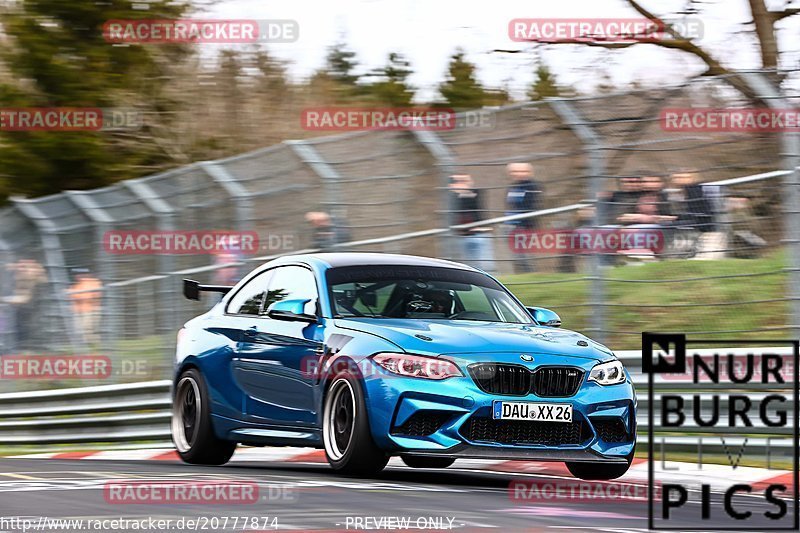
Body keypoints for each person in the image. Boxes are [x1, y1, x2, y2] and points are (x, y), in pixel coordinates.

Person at [449, 174, 495, 273]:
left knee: (486, 265)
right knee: (470, 267)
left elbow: (475, 206)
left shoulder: (475, 193)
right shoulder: (450, 198)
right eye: (457, 181)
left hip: (479, 234)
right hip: (462, 236)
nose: (461, 184)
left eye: (463, 181)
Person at [504, 163, 542, 273]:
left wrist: (524, 224)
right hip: (511, 225)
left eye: (521, 171)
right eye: (514, 172)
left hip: (525, 226)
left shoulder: (533, 186)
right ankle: (521, 274)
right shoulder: (512, 187)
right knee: (516, 255)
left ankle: (530, 275)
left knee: (524, 255)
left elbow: (533, 205)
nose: (518, 174)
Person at [2, 258, 47, 350]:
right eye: (20, 267)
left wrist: (4, 300)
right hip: (18, 322)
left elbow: (24, 299)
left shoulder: (38, 284)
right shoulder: (18, 281)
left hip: (31, 327)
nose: (21, 269)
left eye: (24, 267)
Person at [68, 268, 102, 346]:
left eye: (80, 274)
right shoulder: (76, 285)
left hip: (90, 309)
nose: (77, 276)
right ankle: (85, 345)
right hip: (78, 310)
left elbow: (87, 296)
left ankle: (94, 344)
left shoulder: (92, 283)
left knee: (88, 328)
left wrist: (73, 294)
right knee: (79, 329)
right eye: (76, 275)